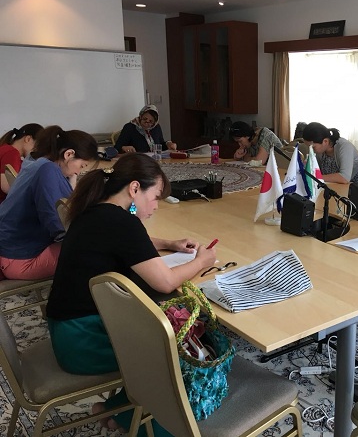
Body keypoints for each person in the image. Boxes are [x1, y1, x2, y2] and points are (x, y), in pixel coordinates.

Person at [46, 153, 217, 436]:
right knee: (181, 351)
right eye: (155, 197)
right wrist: (202, 261)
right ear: (135, 188)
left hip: (67, 331)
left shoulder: (96, 210)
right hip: (83, 341)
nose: (156, 206)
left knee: (164, 331)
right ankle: (157, 428)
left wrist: (169, 243)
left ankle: (120, 412)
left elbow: (131, 240)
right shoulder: (123, 223)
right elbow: (165, 282)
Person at [0, 125, 98, 280]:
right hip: (19, 259)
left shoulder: (35, 161)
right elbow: (57, 223)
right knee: (98, 252)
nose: (78, 172)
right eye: (82, 166)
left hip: (9, 248)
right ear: (69, 154)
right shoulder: (48, 170)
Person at [0, 123, 43, 203]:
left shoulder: (5, 149)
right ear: (28, 139)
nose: (36, 151)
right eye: (37, 147)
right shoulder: (12, 153)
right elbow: (6, 185)